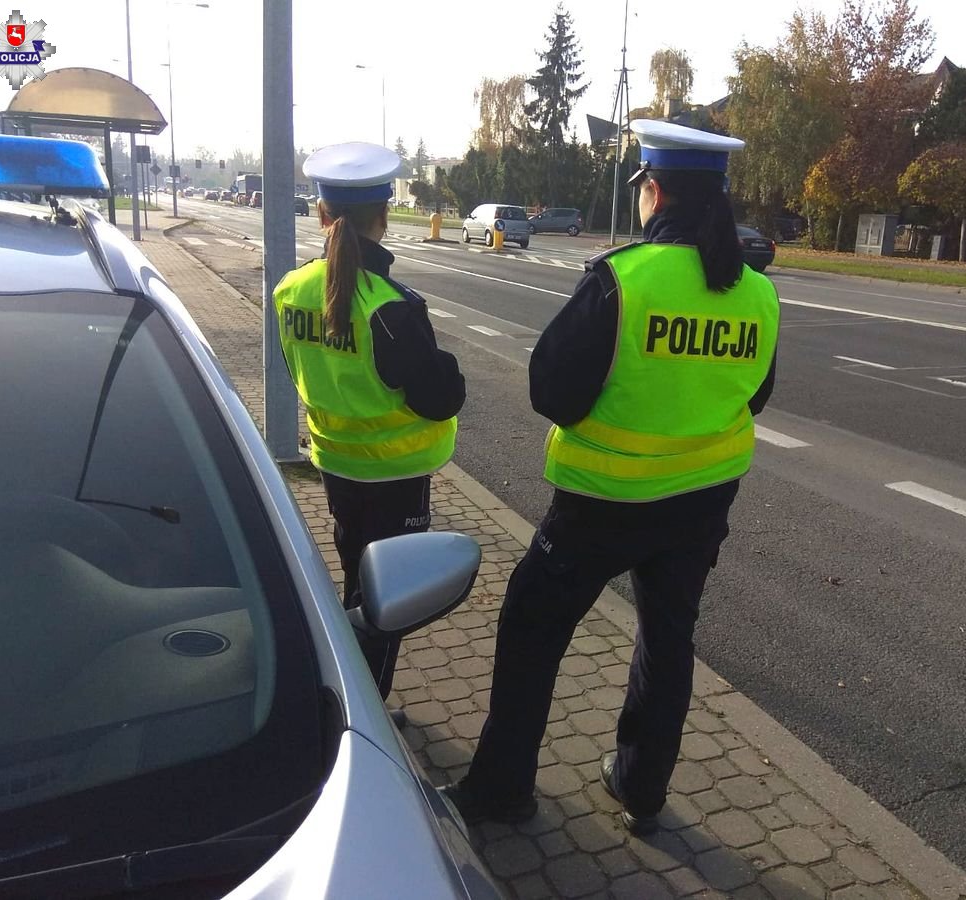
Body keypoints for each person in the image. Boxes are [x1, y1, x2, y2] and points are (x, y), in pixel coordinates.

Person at [443, 120, 780, 835]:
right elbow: (754, 395)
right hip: (700, 505)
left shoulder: (623, 280)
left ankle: (502, 788)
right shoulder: (756, 294)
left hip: (603, 503)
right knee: (668, 638)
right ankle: (641, 785)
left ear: (653, 192)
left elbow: (552, 391)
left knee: (531, 626)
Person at [273, 142, 465, 719]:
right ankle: (364, 712)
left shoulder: (290, 289)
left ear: (323, 214)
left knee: (356, 580)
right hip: (396, 474)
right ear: (383, 216)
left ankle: (345, 692)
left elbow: (298, 369)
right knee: (386, 602)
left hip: (336, 466)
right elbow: (440, 398)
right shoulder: (391, 307)